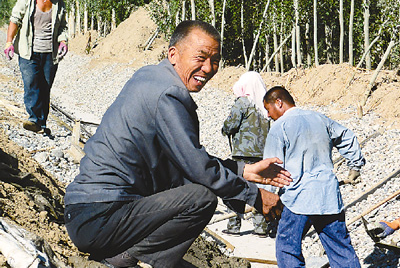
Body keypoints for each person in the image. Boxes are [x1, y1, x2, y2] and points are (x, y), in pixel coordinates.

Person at [64, 20, 292, 268]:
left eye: (215, 61)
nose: (208, 68)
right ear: (173, 54)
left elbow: (186, 162)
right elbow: (198, 170)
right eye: (201, 58)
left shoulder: (150, 77)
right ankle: (128, 260)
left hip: (86, 214)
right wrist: (255, 196)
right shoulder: (169, 94)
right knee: (201, 198)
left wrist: (244, 170)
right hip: (101, 217)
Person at [262, 86, 365, 268]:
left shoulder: (280, 127)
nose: (268, 115)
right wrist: (355, 166)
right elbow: (347, 137)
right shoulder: (320, 118)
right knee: (340, 248)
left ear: (278, 102)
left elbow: (271, 167)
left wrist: (268, 198)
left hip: (298, 199)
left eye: (268, 109)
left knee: (287, 248)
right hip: (328, 196)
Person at [4, 0, 68, 134]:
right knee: (32, 83)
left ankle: (42, 122)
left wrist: (63, 41)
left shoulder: (59, 3)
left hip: (49, 53)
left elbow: (63, 27)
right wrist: (9, 42)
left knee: (45, 86)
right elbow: (15, 20)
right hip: (28, 51)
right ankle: (33, 118)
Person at [221, 71, 275, 237]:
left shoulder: (243, 102)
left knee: (236, 188)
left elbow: (230, 124)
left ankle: (233, 225)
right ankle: (261, 228)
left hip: (242, 154)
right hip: (261, 154)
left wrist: (224, 130)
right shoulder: (265, 105)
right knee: (259, 189)